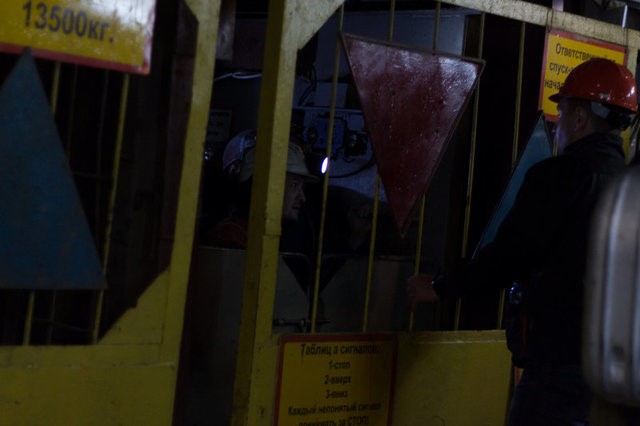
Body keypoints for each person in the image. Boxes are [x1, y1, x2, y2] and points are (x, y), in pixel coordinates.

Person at [407, 57, 638, 425]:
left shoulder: (560, 177)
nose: (559, 124)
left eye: (562, 112)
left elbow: (507, 256)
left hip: (559, 364)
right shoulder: (628, 186)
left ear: (581, 117)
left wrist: (439, 286)